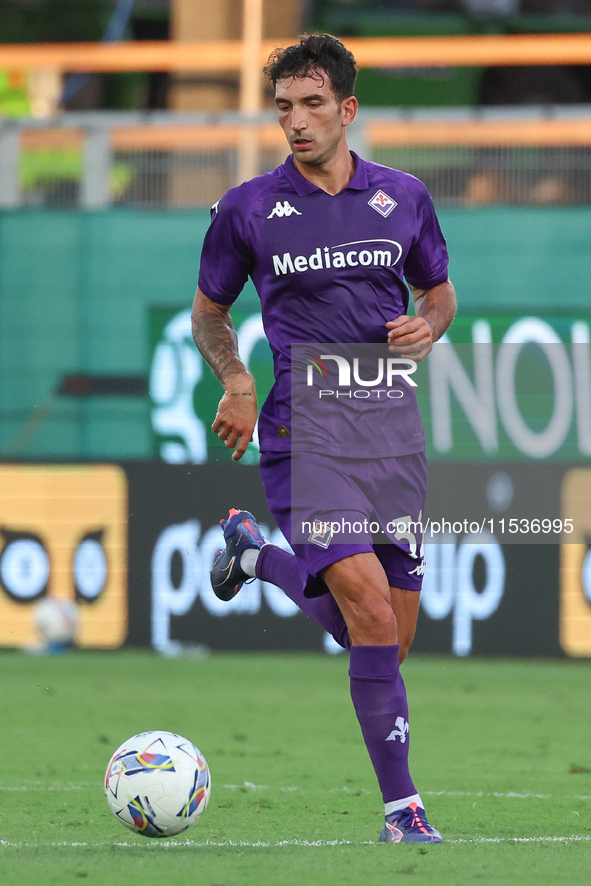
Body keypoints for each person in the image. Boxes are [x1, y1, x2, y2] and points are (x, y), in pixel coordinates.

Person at [192, 33, 456, 844]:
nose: (295, 123)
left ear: (346, 109)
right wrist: (237, 380)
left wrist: (427, 326)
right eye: (283, 109)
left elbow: (439, 293)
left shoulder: (403, 197)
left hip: (391, 433)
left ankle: (255, 557)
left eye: (311, 106)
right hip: (305, 434)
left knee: (384, 636)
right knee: (371, 616)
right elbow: (211, 313)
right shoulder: (246, 208)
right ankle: (402, 812)